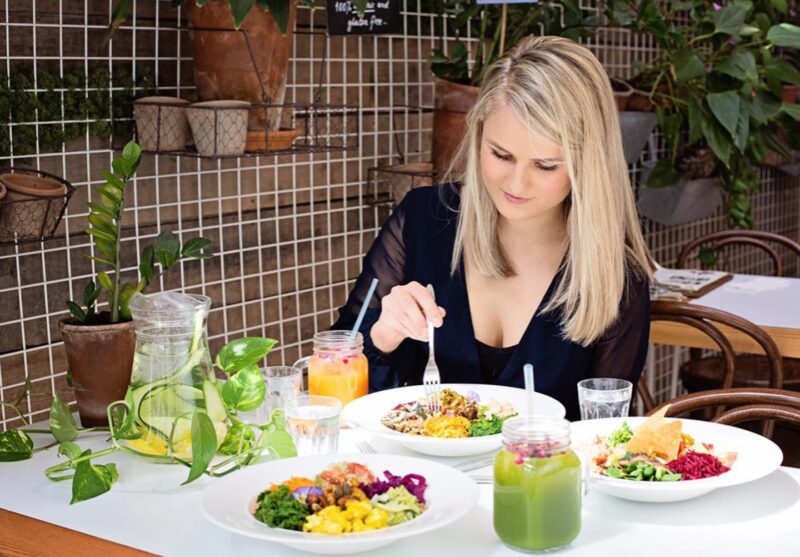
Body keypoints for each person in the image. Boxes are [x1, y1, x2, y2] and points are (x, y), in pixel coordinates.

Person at [332, 36, 654, 420]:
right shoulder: (423, 219)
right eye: (501, 155)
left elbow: (605, 435)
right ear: (478, 134)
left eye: (545, 165)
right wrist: (385, 334)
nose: (516, 185)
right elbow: (336, 382)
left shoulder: (616, 277)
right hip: (417, 476)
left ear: (587, 164)